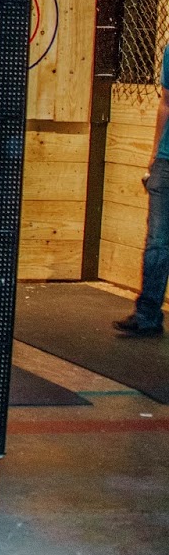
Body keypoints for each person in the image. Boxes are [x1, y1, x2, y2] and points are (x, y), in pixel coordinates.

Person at [118, 43, 169, 337]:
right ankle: (147, 314)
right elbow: (166, 102)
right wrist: (154, 155)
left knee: (159, 240)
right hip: (166, 159)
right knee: (157, 240)